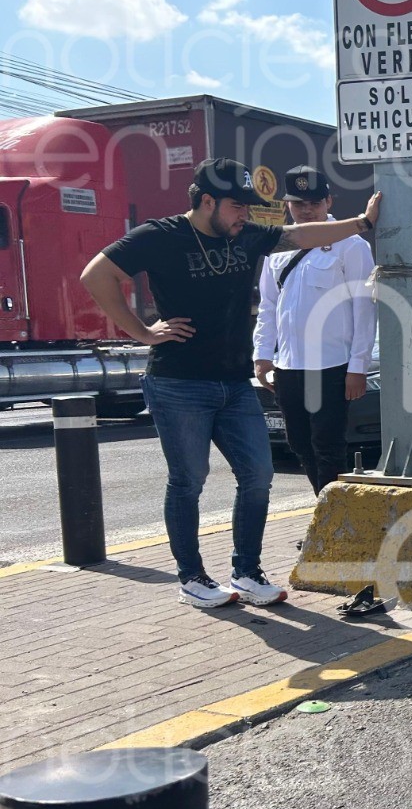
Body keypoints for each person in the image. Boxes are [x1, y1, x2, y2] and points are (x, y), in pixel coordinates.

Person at [80, 158, 382, 608]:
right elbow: (96, 275)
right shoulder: (161, 236)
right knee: (189, 480)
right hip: (178, 383)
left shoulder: (246, 237)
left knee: (259, 475)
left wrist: (361, 222)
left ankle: (246, 571)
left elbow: (301, 236)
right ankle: (193, 578)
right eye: (238, 206)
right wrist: (142, 333)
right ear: (207, 201)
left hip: (235, 384)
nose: (246, 214)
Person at [252, 166, 377, 494]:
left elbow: (364, 308)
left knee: (328, 448)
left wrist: (358, 367)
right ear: (287, 206)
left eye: (314, 203)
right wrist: (263, 355)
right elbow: (268, 305)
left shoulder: (351, 245)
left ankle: (334, 525)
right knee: (300, 446)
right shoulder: (278, 244)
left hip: (332, 365)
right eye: (298, 204)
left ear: (328, 202)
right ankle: (327, 512)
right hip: (289, 365)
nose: (306, 210)